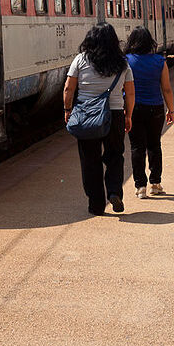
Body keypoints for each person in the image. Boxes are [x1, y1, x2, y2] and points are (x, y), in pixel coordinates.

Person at [63, 23, 135, 215]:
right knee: (115, 156)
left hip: (87, 115)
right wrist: (128, 115)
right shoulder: (123, 63)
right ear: (113, 41)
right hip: (114, 114)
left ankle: (96, 204)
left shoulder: (80, 60)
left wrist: (68, 109)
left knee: (90, 161)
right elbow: (130, 93)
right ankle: (114, 192)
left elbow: (69, 88)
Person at [124, 26, 174, 198]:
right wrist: (171, 109)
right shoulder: (160, 61)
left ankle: (140, 187)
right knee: (154, 145)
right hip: (156, 108)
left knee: (137, 147)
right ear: (150, 42)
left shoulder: (126, 61)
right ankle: (155, 183)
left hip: (133, 108)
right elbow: (166, 89)